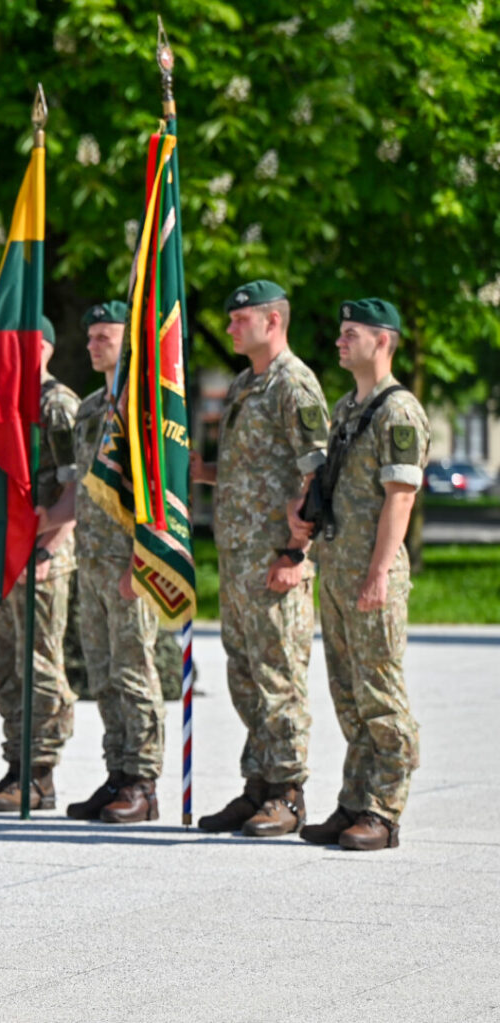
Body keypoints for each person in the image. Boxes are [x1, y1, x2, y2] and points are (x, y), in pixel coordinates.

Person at [191, 281, 328, 837]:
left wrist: (296, 552)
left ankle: (289, 793)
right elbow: (257, 475)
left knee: (279, 677)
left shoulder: (294, 385)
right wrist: (206, 474)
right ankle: (260, 787)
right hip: (238, 563)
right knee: (245, 677)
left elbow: (319, 476)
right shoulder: (247, 384)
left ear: (273, 321)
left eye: (239, 318)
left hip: (276, 560)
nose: (228, 327)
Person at [291, 298, 427, 851]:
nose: (340, 341)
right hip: (337, 572)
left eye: (352, 333)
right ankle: (354, 800)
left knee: (381, 695)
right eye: (341, 331)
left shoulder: (400, 411)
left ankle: (385, 809)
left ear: (383, 342)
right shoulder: (348, 407)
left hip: (373, 577)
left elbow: (401, 499)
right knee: (348, 696)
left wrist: (376, 574)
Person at [43, 301, 166, 823]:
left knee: (136, 670)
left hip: (130, 563)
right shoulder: (92, 407)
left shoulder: (146, 405)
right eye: (89, 336)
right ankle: (117, 774)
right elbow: (81, 493)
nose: (93, 345)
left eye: (105, 337)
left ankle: (144, 780)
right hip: (91, 560)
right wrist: (40, 527)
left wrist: (142, 562)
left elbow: (161, 492)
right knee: (104, 673)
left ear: (129, 341)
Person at [0, 315, 80, 813]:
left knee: (38, 663)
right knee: (7, 664)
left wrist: (50, 545)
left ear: (44, 348)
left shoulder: (57, 404)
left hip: (41, 555)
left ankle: (40, 771)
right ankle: (17, 765)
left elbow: (78, 489)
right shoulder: (2, 403)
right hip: (3, 554)